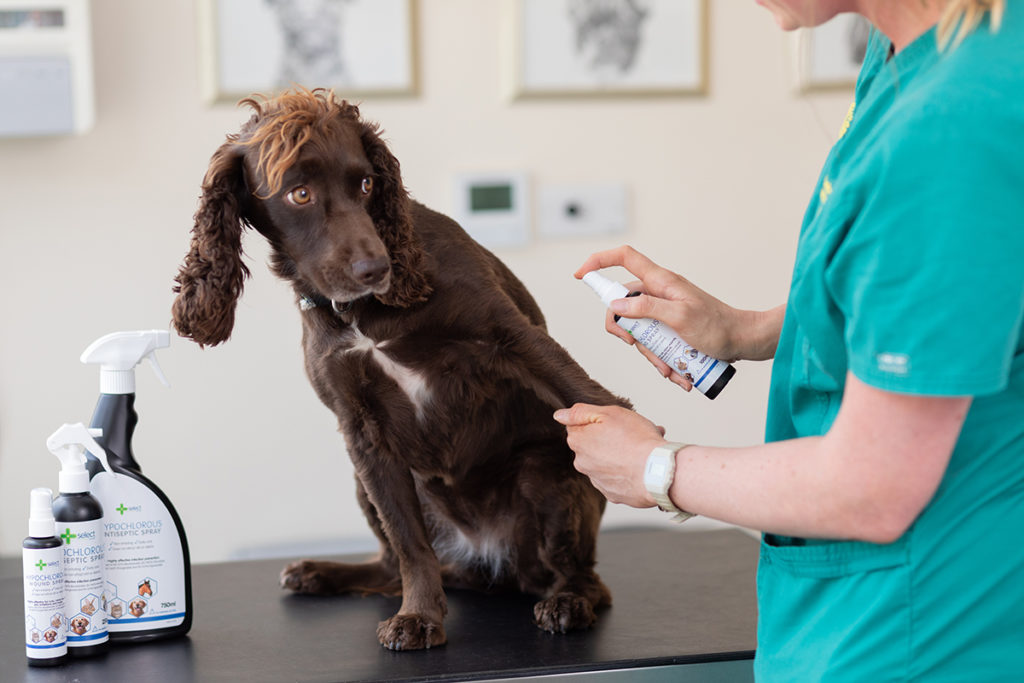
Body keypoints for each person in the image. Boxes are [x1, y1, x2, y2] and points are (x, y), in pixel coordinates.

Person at [553, 1, 1024, 680]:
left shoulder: (952, 125)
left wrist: (657, 468)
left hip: (922, 628)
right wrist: (746, 329)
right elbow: (951, 291)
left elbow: (874, 485)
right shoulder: (913, 51)